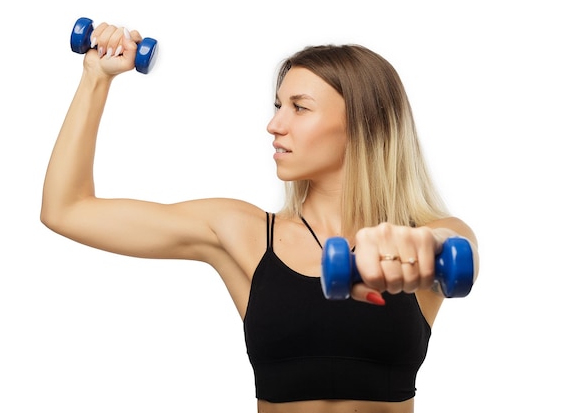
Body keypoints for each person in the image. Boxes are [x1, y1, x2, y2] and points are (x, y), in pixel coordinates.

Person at [41, 21, 479, 413]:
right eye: (277, 106)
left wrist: (416, 250)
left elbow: (453, 249)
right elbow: (67, 210)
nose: (274, 125)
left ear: (363, 122)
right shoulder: (244, 234)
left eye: (299, 108)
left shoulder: (430, 234)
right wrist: (95, 79)